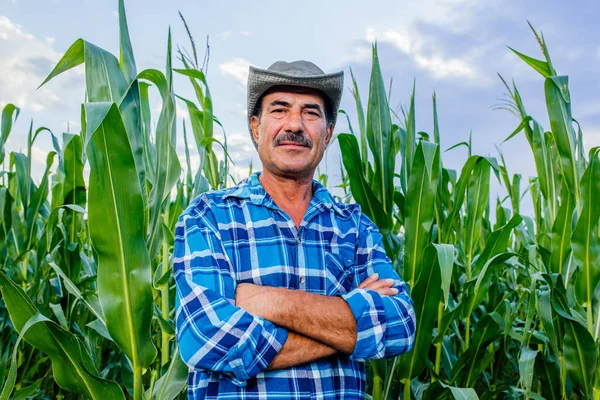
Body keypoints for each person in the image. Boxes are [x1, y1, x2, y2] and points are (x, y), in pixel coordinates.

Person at [174, 60, 416, 399]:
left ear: (328, 133)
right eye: (280, 109)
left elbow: (399, 324)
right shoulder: (210, 217)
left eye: (311, 113)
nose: (295, 125)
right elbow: (206, 337)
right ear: (256, 127)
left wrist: (267, 301)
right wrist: (348, 330)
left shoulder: (355, 227)